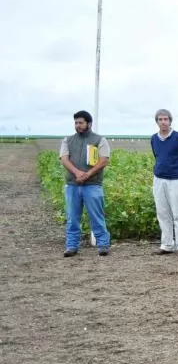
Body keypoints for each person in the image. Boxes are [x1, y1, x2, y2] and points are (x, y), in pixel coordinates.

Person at [59, 110, 111, 257]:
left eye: (80, 122)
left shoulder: (99, 140)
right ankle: (71, 246)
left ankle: (103, 245)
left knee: (97, 216)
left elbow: (103, 161)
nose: (78, 125)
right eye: (76, 123)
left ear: (89, 123)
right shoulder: (67, 140)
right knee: (72, 218)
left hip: (92, 185)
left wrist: (87, 174)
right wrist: (77, 173)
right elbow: (64, 159)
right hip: (72, 186)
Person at [150, 108, 178, 256]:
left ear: (170, 121)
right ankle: (167, 244)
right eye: (160, 119)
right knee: (162, 212)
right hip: (159, 179)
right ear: (157, 122)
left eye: (165, 119)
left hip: (177, 179)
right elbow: (157, 155)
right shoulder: (154, 138)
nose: (163, 122)